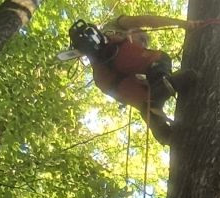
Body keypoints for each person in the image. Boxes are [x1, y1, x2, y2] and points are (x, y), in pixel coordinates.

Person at [64, 14, 207, 144]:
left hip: (108, 82)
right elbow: (146, 20)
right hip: (118, 54)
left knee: (147, 100)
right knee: (160, 58)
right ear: (134, 31)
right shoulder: (118, 26)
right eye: (143, 39)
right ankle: (162, 85)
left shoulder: (129, 62)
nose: (144, 45)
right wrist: (182, 23)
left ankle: (163, 132)